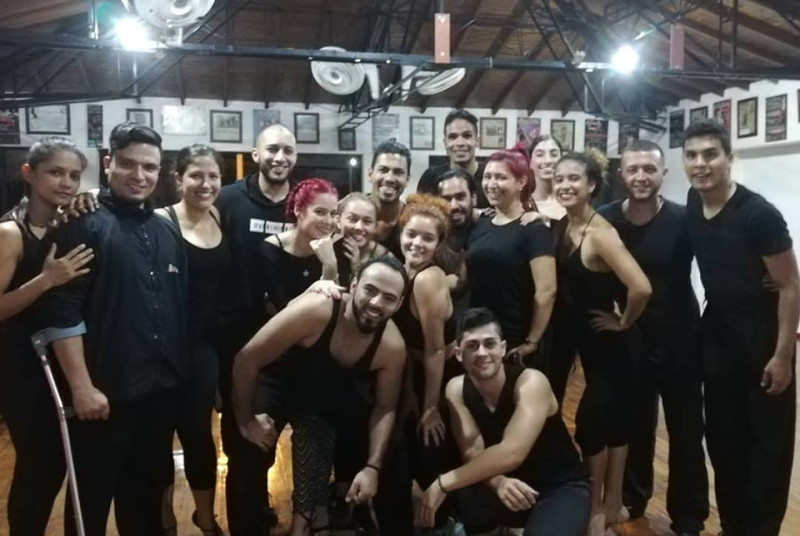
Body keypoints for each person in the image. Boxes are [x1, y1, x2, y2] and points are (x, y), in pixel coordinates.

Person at [36, 122, 189, 536]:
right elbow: (61, 312)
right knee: (89, 507)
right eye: (128, 164)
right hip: (103, 399)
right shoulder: (82, 224)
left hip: (159, 396)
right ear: (108, 164)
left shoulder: (166, 230)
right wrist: (82, 387)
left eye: (149, 167)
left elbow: (178, 308)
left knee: (145, 505)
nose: (139, 175)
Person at [232, 258, 409, 536]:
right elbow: (247, 359)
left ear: (398, 304)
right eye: (370, 290)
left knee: (393, 447)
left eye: (388, 298)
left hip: (329, 389)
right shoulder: (317, 309)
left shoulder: (392, 346)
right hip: (280, 382)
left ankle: (372, 520)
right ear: (353, 285)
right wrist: (245, 422)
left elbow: (385, 409)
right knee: (248, 450)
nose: (376, 303)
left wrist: (373, 467)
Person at [683, 119, 798, 536]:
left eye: (710, 154)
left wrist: (783, 356)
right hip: (717, 337)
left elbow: (789, 285)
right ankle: (732, 527)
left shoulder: (759, 215)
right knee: (724, 442)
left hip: (763, 339)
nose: (701, 163)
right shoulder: (694, 203)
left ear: (729, 158)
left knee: (767, 448)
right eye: (692, 155)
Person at [597, 140, 708, 535]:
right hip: (630, 340)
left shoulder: (684, 218)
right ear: (621, 175)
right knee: (636, 425)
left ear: (664, 174)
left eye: (649, 169)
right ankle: (633, 497)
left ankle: (690, 515)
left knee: (686, 430)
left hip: (681, 340)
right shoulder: (605, 220)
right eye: (633, 169)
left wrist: (765, 278)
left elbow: (721, 258)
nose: (641, 176)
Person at [415, 308, 590, 536]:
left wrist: (442, 484)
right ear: (458, 353)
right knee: (471, 500)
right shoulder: (456, 388)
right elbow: (472, 450)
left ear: (503, 348)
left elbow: (512, 453)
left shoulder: (531, 382)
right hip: (505, 482)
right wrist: (498, 482)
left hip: (558, 485)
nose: (482, 353)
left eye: (489, 344)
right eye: (472, 346)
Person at [552, 151, 651, 536]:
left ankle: (596, 508)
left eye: (573, 178)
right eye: (559, 178)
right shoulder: (566, 225)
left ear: (591, 184)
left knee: (591, 426)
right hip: (591, 347)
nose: (565, 185)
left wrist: (622, 321)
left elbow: (641, 287)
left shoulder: (601, 233)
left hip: (615, 349)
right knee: (614, 426)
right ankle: (613, 505)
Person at [0, 138, 93, 536]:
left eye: (74, 175)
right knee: (39, 467)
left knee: (63, 464)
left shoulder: (66, 222)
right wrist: (45, 280)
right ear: (29, 173)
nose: (66, 183)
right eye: (55, 172)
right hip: (22, 365)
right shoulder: (10, 232)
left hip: (61, 358)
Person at [213, 123, 297, 534]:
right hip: (237, 341)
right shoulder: (228, 199)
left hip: (293, 344)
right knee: (242, 444)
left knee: (274, 437)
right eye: (272, 149)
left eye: (288, 151)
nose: (280, 157)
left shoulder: (302, 203)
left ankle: (263, 503)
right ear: (256, 154)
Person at [155, 144, 231, 536]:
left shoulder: (218, 215)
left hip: (203, 349)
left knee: (199, 435)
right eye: (196, 175)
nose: (205, 183)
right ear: (178, 178)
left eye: (213, 176)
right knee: (158, 439)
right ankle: (165, 519)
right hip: (162, 349)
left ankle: (205, 517)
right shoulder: (160, 220)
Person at [465, 148, 557, 369]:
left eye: (500, 177)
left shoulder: (534, 230)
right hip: (478, 332)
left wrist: (531, 341)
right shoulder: (481, 223)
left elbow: (547, 291)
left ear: (521, 182)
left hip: (515, 338)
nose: (491, 184)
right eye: (487, 176)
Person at [417, 109, 489, 209]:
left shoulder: (490, 176)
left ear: (477, 141)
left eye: (467, 136)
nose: (460, 143)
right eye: (452, 137)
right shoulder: (430, 178)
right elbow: (420, 213)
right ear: (445, 143)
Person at [433, 169, 477, 320]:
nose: (453, 206)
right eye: (446, 199)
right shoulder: (431, 235)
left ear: (473, 198)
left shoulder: (489, 228)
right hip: (444, 322)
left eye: (460, 197)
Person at [334, 192, 391, 286]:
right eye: (352, 219)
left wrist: (357, 270)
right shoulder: (327, 250)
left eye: (367, 221)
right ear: (338, 221)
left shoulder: (385, 261)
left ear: (375, 226)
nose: (359, 227)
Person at [369, 139, 412, 259]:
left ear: (407, 179)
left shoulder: (412, 220)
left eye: (398, 172)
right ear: (370, 174)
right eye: (383, 170)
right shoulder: (351, 212)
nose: (389, 178)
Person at [528, 135, 566, 221]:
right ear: (530, 162)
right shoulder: (522, 207)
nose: (548, 160)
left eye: (554, 154)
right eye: (540, 155)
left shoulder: (573, 202)